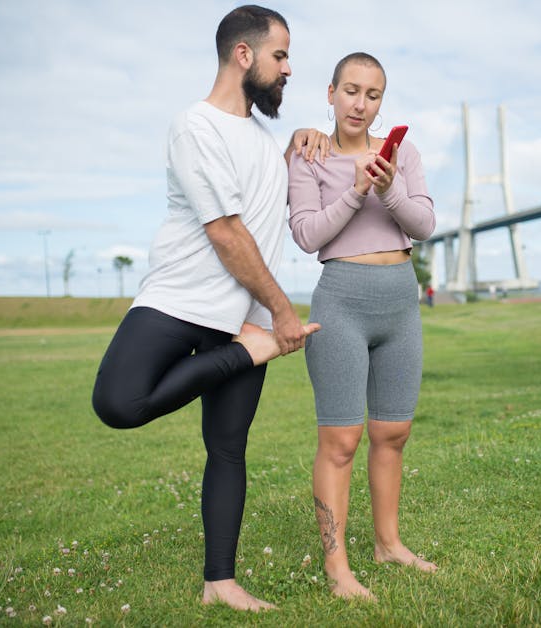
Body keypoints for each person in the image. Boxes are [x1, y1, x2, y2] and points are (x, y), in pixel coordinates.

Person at [91, 5, 326, 613]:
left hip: (244, 312)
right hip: (180, 300)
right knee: (118, 403)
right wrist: (278, 315)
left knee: (227, 448)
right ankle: (244, 353)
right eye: (280, 56)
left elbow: (256, 199)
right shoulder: (193, 126)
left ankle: (220, 581)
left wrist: (295, 144)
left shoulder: (262, 137)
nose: (288, 70)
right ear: (242, 55)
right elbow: (225, 231)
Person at [287, 52, 438, 600]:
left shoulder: (403, 155)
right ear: (330, 93)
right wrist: (355, 191)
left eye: (372, 95)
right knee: (341, 438)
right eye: (351, 91)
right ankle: (336, 567)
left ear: (381, 102)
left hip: (400, 300)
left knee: (393, 432)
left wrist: (388, 187)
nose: (361, 104)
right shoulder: (309, 155)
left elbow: (422, 224)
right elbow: (306, 235)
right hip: (342, 301)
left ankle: (389, 544)